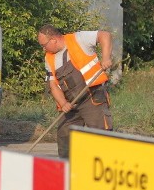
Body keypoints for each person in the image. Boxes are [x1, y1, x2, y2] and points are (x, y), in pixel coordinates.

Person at [38, 24, 113, 158]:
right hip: (71, 103)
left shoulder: (78, 39)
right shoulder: (49, 58)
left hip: (92, 96)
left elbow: (104, 35)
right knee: (64, 136)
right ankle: (67, 172)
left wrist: (106, 57)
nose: (43, 48)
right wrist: (63, 103)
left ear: (54, 39)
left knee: (101, 137)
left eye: (44, 44)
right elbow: (53, 85)